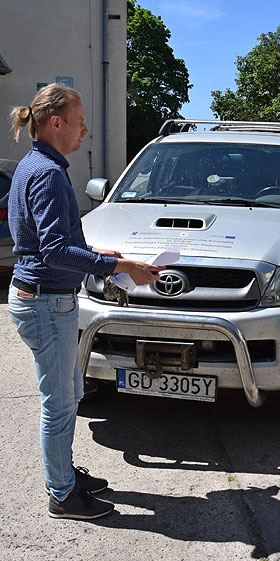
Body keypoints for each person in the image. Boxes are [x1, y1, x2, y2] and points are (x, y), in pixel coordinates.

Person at [7, 84, 164, 519]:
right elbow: (55, 250)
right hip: (45, 302)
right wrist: (120, 267)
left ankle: (65, 475)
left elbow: (49, 241)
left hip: (45, 300)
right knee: (59, 405)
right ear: (55, 123)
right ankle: (62, 495)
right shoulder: (48, 173)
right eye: (79, 122)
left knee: (70, 392)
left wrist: (104, 257)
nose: (86, 130)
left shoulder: (35, 165)